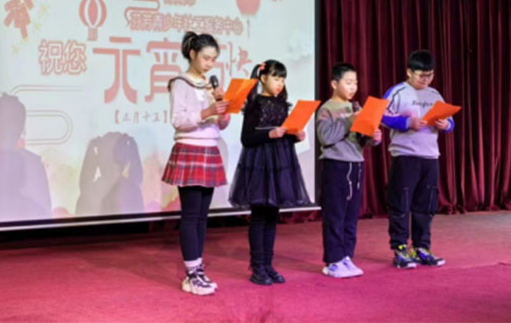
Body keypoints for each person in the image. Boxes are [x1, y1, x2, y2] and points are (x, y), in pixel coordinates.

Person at [229, 60, 310, 285]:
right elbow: (246, 139)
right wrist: (269, 134)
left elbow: (285, 135)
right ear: (263, 78)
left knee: (273, 216)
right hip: (259, 163)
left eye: (283, 79)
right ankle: (257, 268)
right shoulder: (255, 104)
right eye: (276, 78)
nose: (280, 83)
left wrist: (296, 136)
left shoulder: (283, 104)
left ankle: (268, 265)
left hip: (279, 162)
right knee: (259, 216)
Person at [161, 31, 230, 295]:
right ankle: (191, 274)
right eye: (206, 58)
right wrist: (208, 111)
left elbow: (221, 125)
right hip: (190, 149)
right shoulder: (180, 83)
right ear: (192, 54)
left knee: (202, 216)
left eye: (213, 59)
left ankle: (198, 269)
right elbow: (178, 120)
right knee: (190, 215)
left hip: (210, 149)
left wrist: (223, 107)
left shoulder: (209, 85)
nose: (210, 64)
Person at [382, 50, 455, 269]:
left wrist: (445, 125)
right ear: (409, 72)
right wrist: (406, 123)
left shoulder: (434, 94)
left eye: (430, 75)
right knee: (401, 203)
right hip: (405, 155)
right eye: (421, 75)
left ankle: (422, 247)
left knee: (426, 204)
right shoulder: (397, 92)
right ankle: (400, 248)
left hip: (430, 156)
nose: (426, 80)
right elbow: (380, 116)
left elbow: (450, 122)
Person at [316, 62, 381, 278]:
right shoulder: (327, 109)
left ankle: (346, 256)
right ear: (334, 84)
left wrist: (373, 137)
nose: (353, 87)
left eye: (355, 83)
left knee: (351, 216)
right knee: (335, 215)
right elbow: (325, 138)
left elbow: (360, 139)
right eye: (348, 82)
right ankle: (333, 261)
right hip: (335, 165)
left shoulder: (355, 108)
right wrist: (348, 122)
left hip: (356, 164)